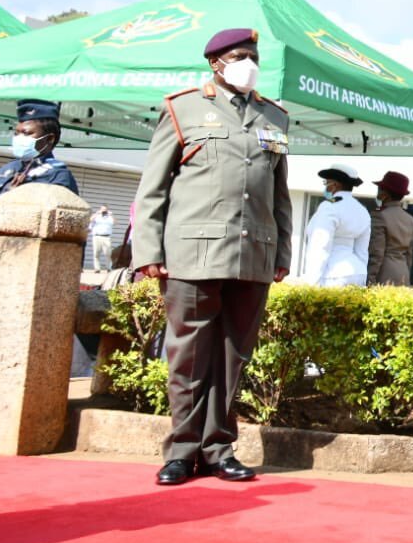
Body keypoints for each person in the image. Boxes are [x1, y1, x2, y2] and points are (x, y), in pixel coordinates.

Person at [131, 28, 292, 486]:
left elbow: (279, 194)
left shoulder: (275, 117)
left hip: (253, 254)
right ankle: (182, 450)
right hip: (192, 254)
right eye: (241, 55)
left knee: (232, 355)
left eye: (255, 56)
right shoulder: (182, 108)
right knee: (189, 355)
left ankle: (219, 449)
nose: (250, 63)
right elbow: (153, 189)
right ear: (216, 62)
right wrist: (148, 251)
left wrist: (282, 252)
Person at [0, 99, 80, 215]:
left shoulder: (59, 176)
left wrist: (12, 199)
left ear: (49, 139)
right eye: (16, 133)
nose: (18, 138)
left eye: (26, 133)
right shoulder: (8, 168)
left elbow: (56, 220)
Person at [299, 164, 371, 286]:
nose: (325, 187)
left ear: (335, 185)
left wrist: (312, 283)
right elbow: (362, 250)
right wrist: (362, 273)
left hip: (333, 274)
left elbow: (320, 246)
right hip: (358, 272)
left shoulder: (329, 206)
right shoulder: (362, 210)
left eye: (326, 183)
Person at [368, 171, 413, 286]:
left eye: (380, 189)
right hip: (403, 273)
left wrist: (370, 279)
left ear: (385, 194)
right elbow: (409, 254)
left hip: (384, 273)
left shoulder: (379, 215)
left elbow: (377, 252)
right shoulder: (410, 219)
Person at [89, 205, 115, 271]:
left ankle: (109, 268)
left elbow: (114, 222)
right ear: (100, 210)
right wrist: (97, 213)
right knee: (96, 254)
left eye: (105, 210)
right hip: (97, 236)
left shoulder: (109, 217)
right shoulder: (97, 216)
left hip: (106, 237)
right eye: (102, 210)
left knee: (108, 253)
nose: (104, 211)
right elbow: (90, 219)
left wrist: (111, 215)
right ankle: (97, 268)